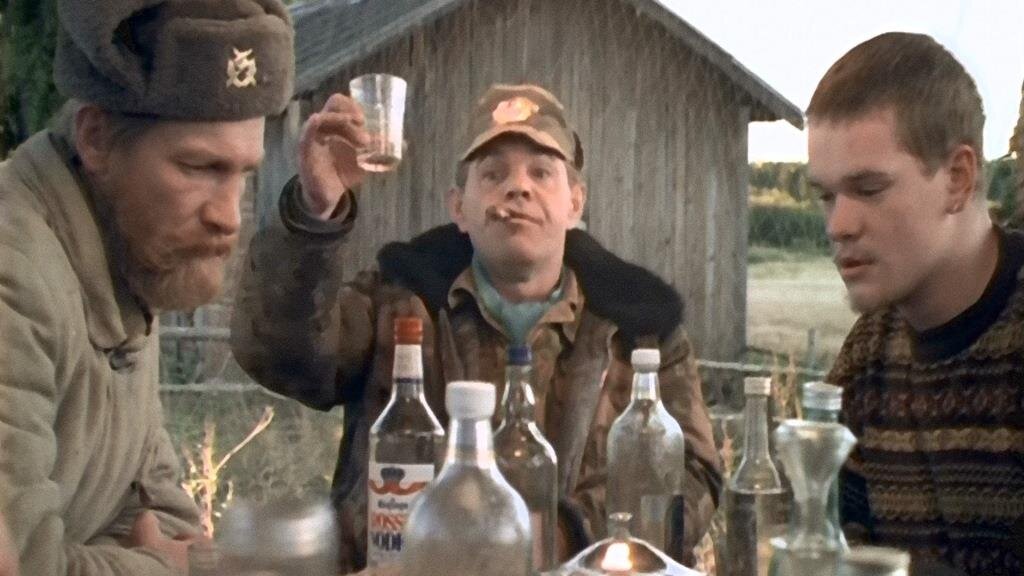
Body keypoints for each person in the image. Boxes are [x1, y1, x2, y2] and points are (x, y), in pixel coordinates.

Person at [230, 83, 721, 572]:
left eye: (541, 172)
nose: (518, 188)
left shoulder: (640, 332)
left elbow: (695, 476)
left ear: (575, 204)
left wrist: (562, 536)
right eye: (493, 174)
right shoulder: (398, 303)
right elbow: (280, 355)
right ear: (458, 208)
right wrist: (315, 214)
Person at [0, 1, 294, 574]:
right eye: (199, 168)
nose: (228, 216)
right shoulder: (16, 276)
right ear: (96, 139)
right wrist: (173, 568)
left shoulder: (129, 250)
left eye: (243, 174)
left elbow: (155, 508)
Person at [808, 32, 1024, 576]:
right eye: (827, 196)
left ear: (957, 179)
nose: (838, 225)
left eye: (869, 189)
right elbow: (831, 548)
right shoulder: (868, 358)